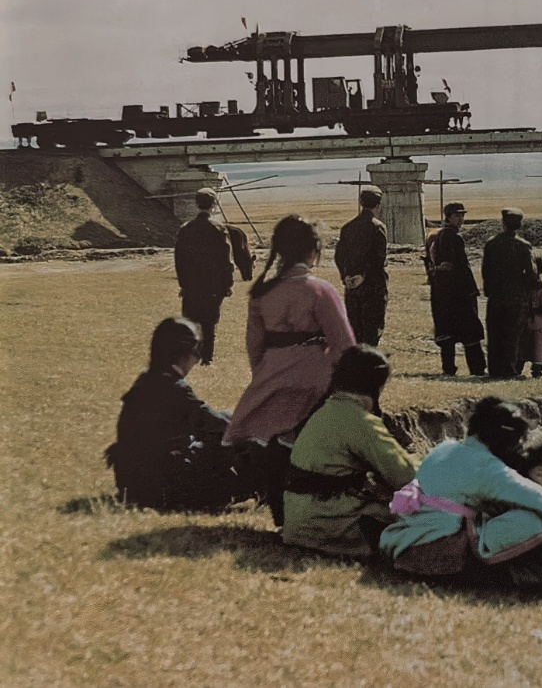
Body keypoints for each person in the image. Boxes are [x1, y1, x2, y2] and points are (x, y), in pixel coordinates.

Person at [381, 397, 542, 604]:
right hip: (440, 554)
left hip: (407, 546)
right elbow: (541, 499)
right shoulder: (488, 468)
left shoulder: (444, 449)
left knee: (515, 529)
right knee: (534, 520)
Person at [225, 215, 356, 528]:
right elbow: (345, 345)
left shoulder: (261, 293)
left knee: (274, 446)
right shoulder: (319, 290)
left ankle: (280, 513)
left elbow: (254, 345)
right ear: (313, 250)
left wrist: (265, 377)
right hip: (315, 378)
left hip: (272, 375)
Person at [282, 345, 417, 560]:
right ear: (376, 387)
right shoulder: (362, 422)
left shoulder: (323, 412)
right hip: (330, 524)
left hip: (299, 525)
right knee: (424, 520)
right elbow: (406, 476)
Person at [105, 317, 255, 511]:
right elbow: (212, 422)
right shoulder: (173, 388)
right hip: (160, 488)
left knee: (226, 422)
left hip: (133, 485)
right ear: (182, 352)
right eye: (196, 350)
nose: (197, 358)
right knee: (239, 461)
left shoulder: (146, 382)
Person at [174, 187, 234, 365]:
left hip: (191, 283)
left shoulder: (186, 229)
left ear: (196, 204)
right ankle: (207, 357)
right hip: (213, 284)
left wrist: (183, 284)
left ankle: (191, 355)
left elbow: (179, 259)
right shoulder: (218, 229)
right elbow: (226, 260)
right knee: (209, 322)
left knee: (191, 320)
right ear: (214, 204)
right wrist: (228, 284)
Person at [430, 202, 486, 377]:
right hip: (459, 293)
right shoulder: (454, 237)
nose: (461, 219)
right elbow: (461, 267)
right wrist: (470, 290)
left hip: (443, 292)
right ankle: (477, 369)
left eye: (462, 215)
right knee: (470, 332)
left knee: (447, 332)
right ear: (448, 217)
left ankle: (449, 368)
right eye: (457, 215)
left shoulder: (439, 236)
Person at [481, 208, 537, 379]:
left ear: (503, 223)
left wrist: (489, 290)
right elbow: (532, 273)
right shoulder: (523, 246)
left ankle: (494, 370)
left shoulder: (491, 244)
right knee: (512, 335)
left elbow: (486, 270)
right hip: (516, 296)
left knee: (494, 332)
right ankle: (509, 370)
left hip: (496, 296)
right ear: (519, 225)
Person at [333, 187, 388, 347]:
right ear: (378, 205)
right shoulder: (377, 227)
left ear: (360, 203)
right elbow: (378, 258)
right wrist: (363, 276)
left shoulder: (347, 227)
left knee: (355, 330)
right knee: (372, 331)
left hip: (352, 286)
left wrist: (346, 276)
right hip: (373, 285)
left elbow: (339, 256)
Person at [517, 257, 542, 379]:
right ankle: (537, 372)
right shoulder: (540, 290)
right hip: (538, 324)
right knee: (537, 349)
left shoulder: (520, 289)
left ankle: (517, 369)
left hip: (522, 323)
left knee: (521, 349)